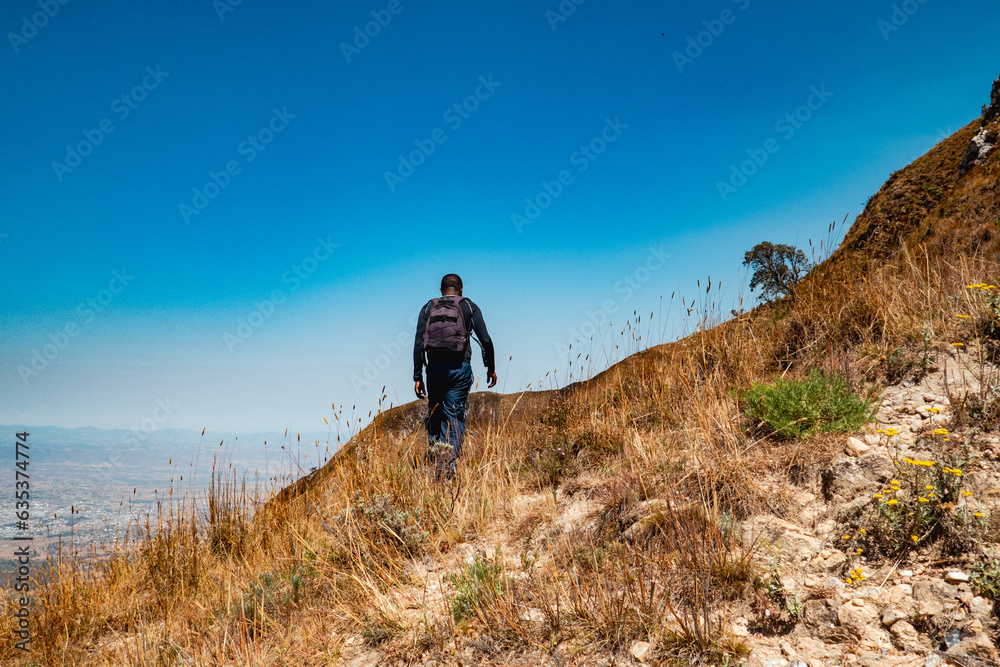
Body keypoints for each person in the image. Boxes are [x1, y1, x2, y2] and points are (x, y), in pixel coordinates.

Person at [414, 274, 497, 477]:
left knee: (435, 415)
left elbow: (418, 343)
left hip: (433, 369)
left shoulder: (428, 307)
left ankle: (435, 464)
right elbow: (485, 339)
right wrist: (491, 368)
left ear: (441, 290)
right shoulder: (468, 306)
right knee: (454, 416)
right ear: (461, 289)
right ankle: (449, 468)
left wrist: (417, 376)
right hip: (460, 368)